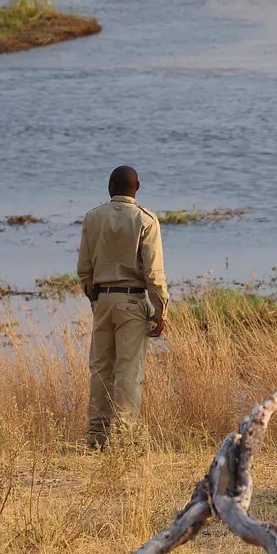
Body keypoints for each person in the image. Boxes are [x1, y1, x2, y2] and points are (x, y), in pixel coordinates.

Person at [76, 164, 168, 449]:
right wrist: (160, 309)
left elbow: (84, 269)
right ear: (137, 187)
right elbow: (154, 274)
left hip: (102, 299)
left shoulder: (93, 218)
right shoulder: (146, 220)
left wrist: (95, 299)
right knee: (128, 371)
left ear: (109, 188)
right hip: (132, 300)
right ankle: (123, 436)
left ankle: (96, 435)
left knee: (101, 368)